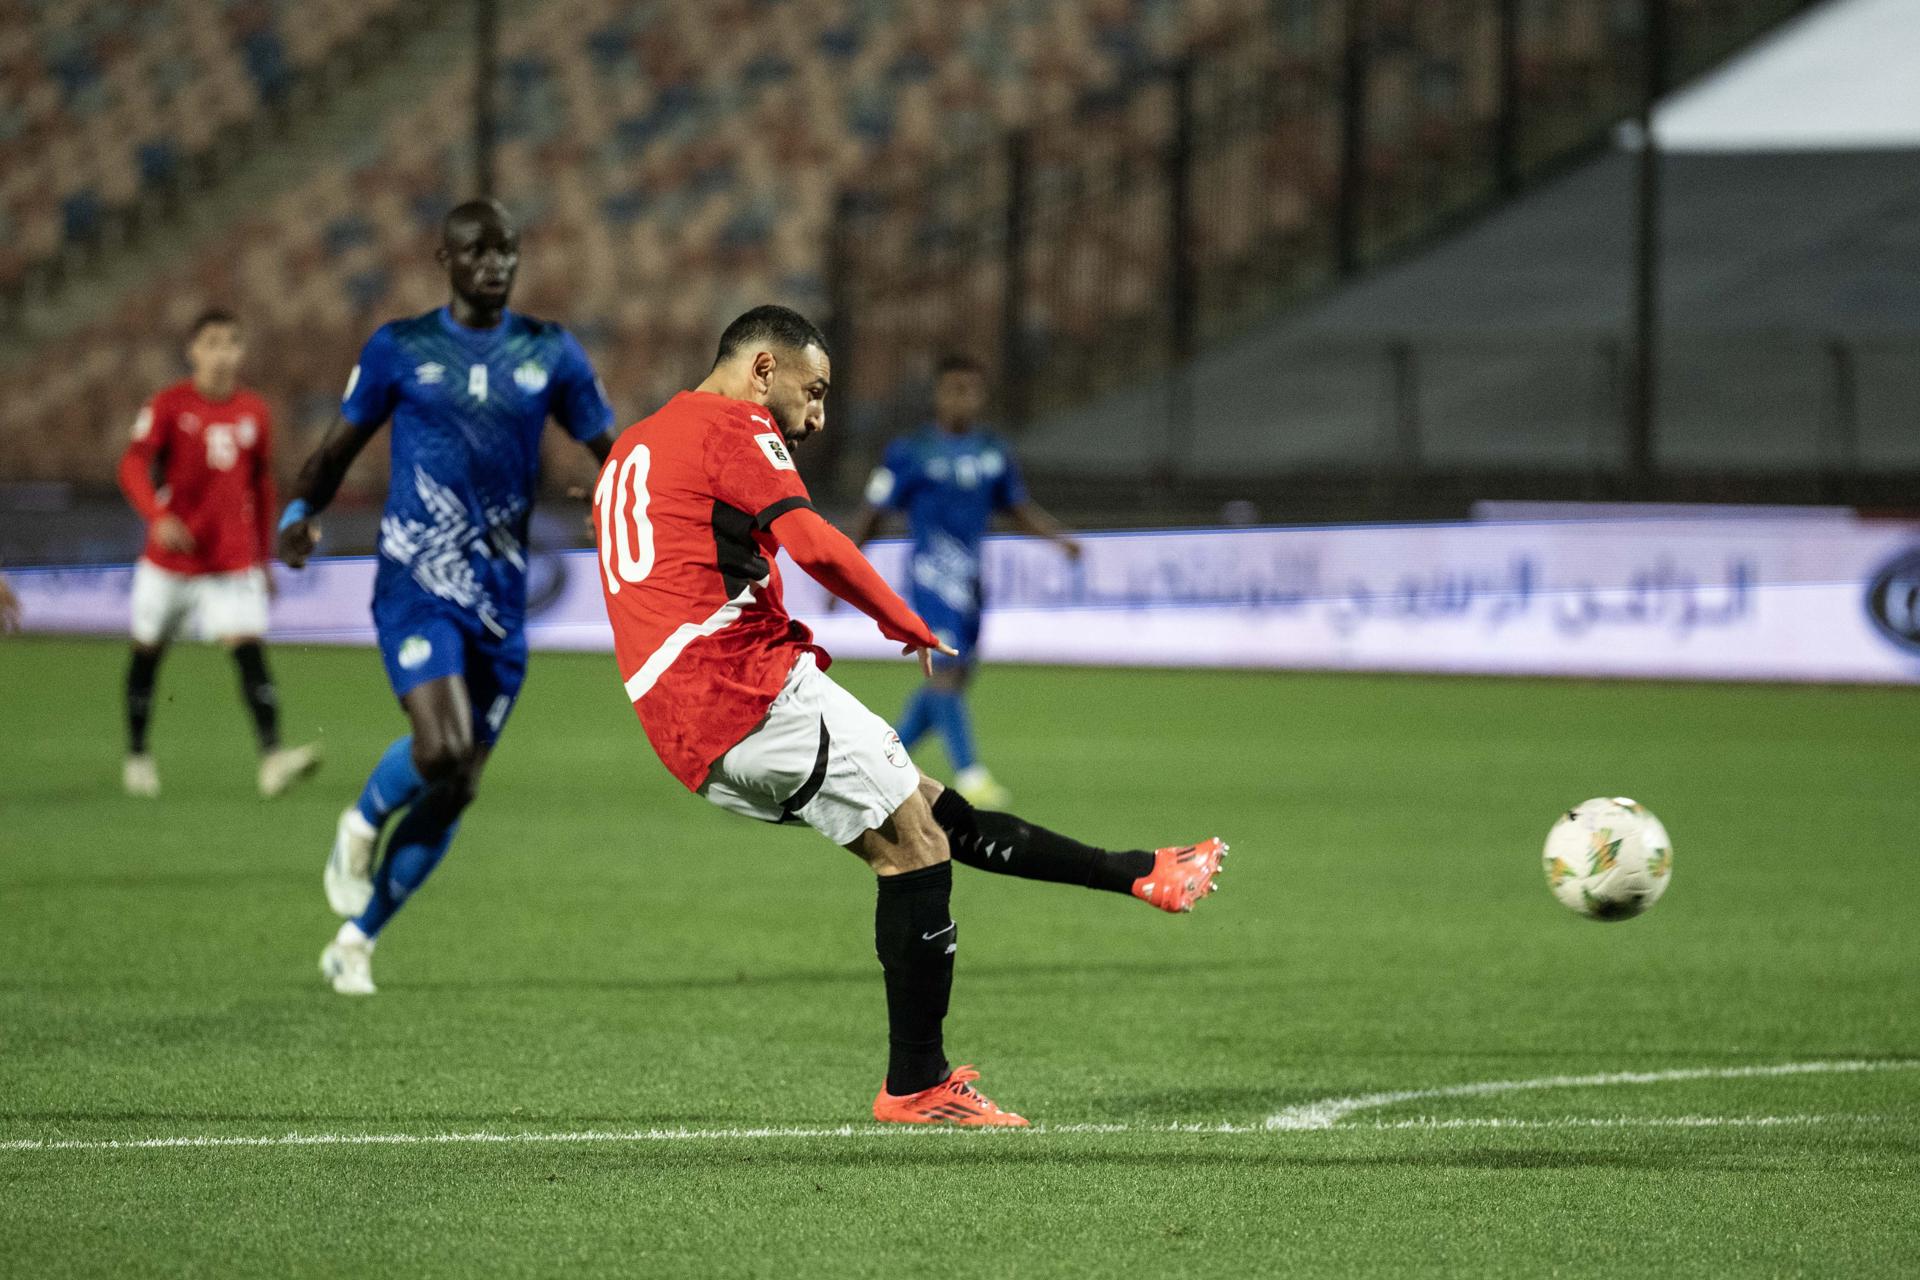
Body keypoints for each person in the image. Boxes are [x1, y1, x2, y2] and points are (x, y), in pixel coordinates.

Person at [594, 305, 1226, 1126]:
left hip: (681, 724)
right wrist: (899, 615)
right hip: (743, 686)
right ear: (761, 368)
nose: (815, 418)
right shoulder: (736, 430)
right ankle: (918, 1083)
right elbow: (814, 542)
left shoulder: (632, 446)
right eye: (812, 393)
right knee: (916, 850)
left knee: (927, 813)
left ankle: (1137, 871)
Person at [278, 198, 617, 996]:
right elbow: (338, 447)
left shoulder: (550, 353)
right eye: (479, 250)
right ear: (446, 260)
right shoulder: (402, 348)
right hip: (417, 580)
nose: (496, 263)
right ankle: (360, 822)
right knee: (441, 750)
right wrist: (299, 512)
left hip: (502, 600)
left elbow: (616, 448)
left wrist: (627, 491)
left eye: (509, 250)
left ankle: (356, 941)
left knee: (458, 784)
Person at [846, 355, 1081, 808]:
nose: (962, 398)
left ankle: (876, 765)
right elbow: (873, 513)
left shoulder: (993, 450)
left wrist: (1059, 540)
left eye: (971, 389)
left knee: (955, 679)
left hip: (971, 583)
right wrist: (846, 573)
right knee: (945, 675)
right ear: (938, 394)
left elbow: (1016, 508)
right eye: (954, 388)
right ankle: (971, 775)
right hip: (930, 578)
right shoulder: (909, 451)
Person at [115, 308, 320, 799]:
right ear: (193, 350)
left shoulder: (254, 411)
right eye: (212, 342)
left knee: (248, 649)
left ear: (242, 352)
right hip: (171, 562)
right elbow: (132, 464)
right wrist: (157, 518)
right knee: (148, 651)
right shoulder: (167, 405)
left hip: (231, 560)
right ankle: (138, 754)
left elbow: (262, 486)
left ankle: (273, 758)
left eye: (231, 342)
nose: (222, 352)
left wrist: (264, 556)